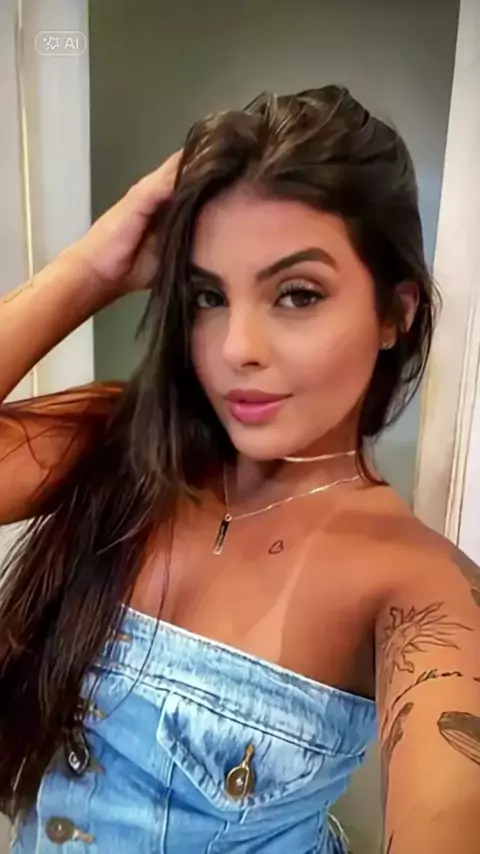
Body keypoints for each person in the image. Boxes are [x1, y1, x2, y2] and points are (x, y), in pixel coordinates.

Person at [0, 85, 478, 854]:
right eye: (207, 297)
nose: (235, 348)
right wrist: (90, 268)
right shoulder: (122, 447)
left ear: (397, 313)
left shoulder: (419, 585)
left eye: (297, 294)